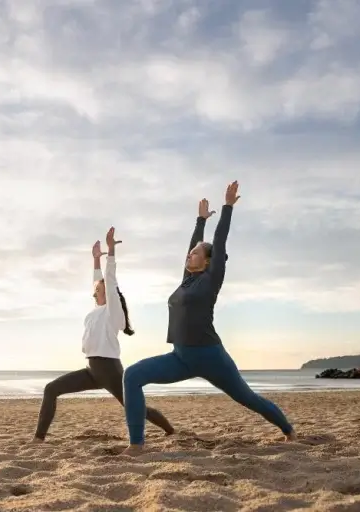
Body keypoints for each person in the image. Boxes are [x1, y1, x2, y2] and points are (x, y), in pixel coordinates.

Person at [121, 181, 296, 455]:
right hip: (180, 358)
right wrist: (199, 220)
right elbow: (194, 245)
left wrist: (226, 207)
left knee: (248, 398)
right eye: (190, 253)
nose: (189, 255)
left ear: (206, 262)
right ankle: (136, 445)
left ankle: (287, 429)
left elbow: (221, 240)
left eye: (195, 254)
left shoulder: (211, 279)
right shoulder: (186, 281)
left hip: (211, 357)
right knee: (132, 376)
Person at [32, 226, 175, 443]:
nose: (95, 290)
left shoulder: (112, 312)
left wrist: (111, 251)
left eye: (99, 289)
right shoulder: (96, 311)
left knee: (138, 408)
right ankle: (38, 438)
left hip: (110, 369)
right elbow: (97, 280)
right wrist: (95, 260)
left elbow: (109, 279)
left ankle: (171, 431)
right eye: (96, 289)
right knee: (51, 389)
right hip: (92, 369)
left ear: (108, 293)